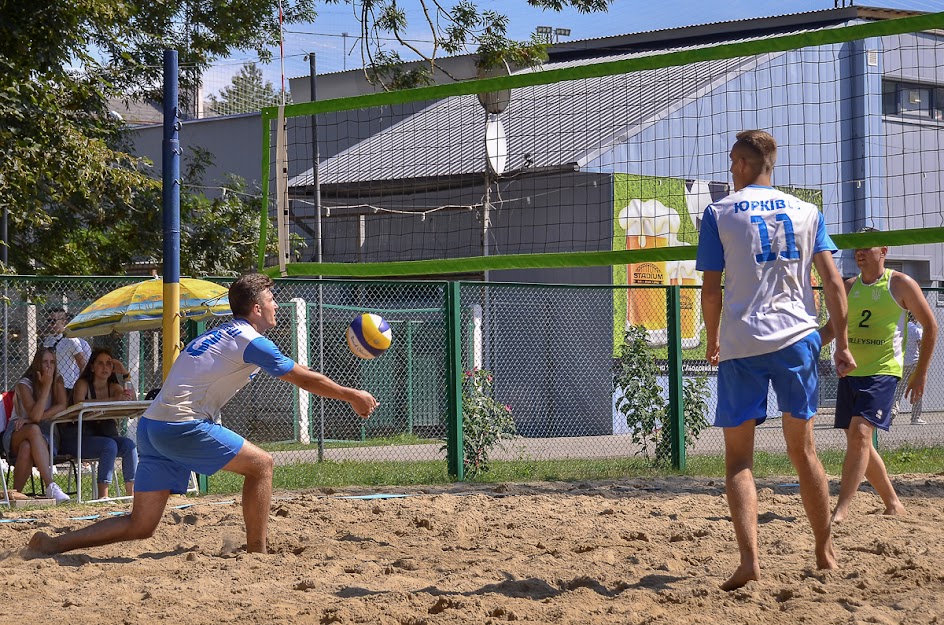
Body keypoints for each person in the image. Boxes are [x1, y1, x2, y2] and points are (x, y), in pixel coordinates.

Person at [27, 273, 379, 556]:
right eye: (271, 300)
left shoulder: (221, 334)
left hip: (152, 427)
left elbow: (293, 367)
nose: (276, 306)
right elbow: (300, 376)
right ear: (256, 308)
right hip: (181, 425)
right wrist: (351, 395)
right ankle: (258, 552)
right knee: (261, 465)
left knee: (140, 525)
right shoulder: (249, 339)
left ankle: (54, 544)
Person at [696, 130, 856, 591]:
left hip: (743, 341)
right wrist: (840, 342)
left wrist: (713, 339)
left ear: (744, 164)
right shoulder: (807, 211)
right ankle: (824, 550)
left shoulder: (720, 212)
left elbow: (710, 290)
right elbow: (832, 282)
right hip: (797, 339)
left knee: (738, 460)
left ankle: (749, 561)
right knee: (803, 451)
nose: (730, 171)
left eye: (732, 163)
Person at [820, 229, 938, 523]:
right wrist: (799, 347)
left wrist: (921, 372)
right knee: (859, 441)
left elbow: (931, 327)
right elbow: (830, 329)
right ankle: (893, 502)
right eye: (856, 248)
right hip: (851, 373)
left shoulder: (900, 284)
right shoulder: (848, 287)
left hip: (884, 372)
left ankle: (842, 509)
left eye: (866, 248)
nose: (859, 253)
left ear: (883, 250)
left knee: (860, 434)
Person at [61, 348, 138, 499]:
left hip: (104, 436)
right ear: (92, 367)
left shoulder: (114, 387)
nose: (105, 367)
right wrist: (112, 400)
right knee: (109, 445)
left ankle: (132, 494)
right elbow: (80, 403)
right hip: (77, 438)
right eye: (100, 363)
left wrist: (126, 375)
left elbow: (132, 401)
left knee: (129, 445)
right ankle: (103, 497)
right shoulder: (82, 384)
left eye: (109, 364)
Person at [1, 348, 71, 503]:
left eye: (52, 362)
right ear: (37, 364)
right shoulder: (24, 384)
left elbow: (62, 406)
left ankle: (15, 496)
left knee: (27, 446)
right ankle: (50, 485)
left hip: (47, 431)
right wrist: (46, 386)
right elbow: (35, 416)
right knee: (33, 429)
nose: (49, 367)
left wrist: (34, 419)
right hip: (17, 430)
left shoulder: (58, 380)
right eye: (45, 362)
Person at [43, 308, 92, 402]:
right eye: (48, 321)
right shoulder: (48, 340)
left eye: (53, 321)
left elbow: (83, 365)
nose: (49, 324)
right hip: (50, 385)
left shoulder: (71, 340)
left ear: (63, 322)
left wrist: (81, 388)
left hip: (67, 386)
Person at [891, 312, 925, 425]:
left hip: (902, 363)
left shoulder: (900, 329)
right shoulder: (916, 330)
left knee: (899, 390)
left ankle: (892, 412)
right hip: (914, 364)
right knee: (917, 389)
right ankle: (915, 417)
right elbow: (921, 347)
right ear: (914, 318)